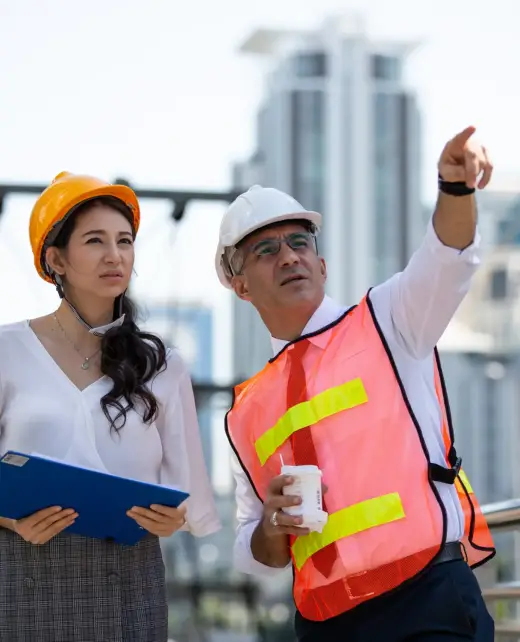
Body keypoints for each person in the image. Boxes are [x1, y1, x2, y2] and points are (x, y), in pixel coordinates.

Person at [216, 127, 496, 641]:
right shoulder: (244, 413)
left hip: (426, 599)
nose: (289, 257)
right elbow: (250, 552)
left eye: (299, 242)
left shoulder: (388, 322)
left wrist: (454, 189)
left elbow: (448, 259)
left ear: (321, 265)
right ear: (240, 286)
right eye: (266, 250)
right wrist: (272, 529)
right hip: (327, 623)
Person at [0, 171, 221, 642]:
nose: (115, 255)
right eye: (95, 240)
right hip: (21, 573)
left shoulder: (163, 364)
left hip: (129, 581)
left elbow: (188, 496)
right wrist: (9, 519)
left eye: (125, 240)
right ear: (55, 259)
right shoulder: (6, 351)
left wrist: (172, 517)